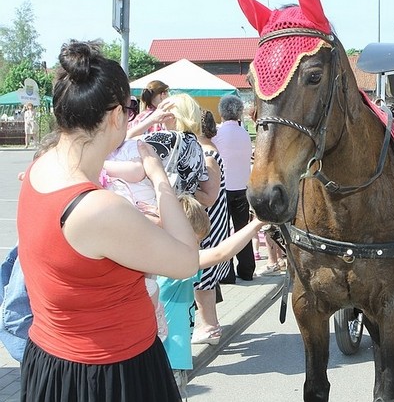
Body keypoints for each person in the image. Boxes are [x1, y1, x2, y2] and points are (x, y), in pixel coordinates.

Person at [17, 40, 198, 401]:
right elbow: (187, 259)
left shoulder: (39, 168)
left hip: (52, 362)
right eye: (129, 110)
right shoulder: (97, 207)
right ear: (117, 115)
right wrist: (158, 176)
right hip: (110, 373)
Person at [159, 194, 265, 399]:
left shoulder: (162, 262)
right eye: (196, 240)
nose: (198, 247)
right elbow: (220, 254)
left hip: (167, 361)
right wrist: (258, 223)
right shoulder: (172, 268)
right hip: (169, 363)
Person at [192, 110, 231, 346]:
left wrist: (177, 184)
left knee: (204, 278)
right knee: (205, 278)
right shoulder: (207, 150)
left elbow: (209, 196)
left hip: (208, 221)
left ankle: (210, 326)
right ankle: (210, 324)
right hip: (211, 220)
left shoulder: (207, 154)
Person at [213, 95, 255, 282]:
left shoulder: (218, 134)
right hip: (242, 188)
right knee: (242, 229)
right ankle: (247, 269)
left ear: (222, 112)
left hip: (224, 188)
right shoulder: (245, 134)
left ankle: (226, 272)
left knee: (223, 232)